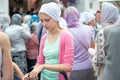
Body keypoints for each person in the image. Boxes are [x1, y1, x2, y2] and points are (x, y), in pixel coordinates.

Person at [23, 2, 74, 80]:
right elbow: (40, 61)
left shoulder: (66, 36)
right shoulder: (44, 38)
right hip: (44, 77)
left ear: (56, 18)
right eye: (42, 20)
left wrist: (44, 66)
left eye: (47, 20)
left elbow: (68, 66)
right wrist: (31, 74)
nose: (44, 24)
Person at [63, 6, 95, 80]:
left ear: (65, 17)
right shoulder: (89, 29)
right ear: (78, 15)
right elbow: (92, 47)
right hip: (89, 67)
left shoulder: (64, 33)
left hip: (72, 69)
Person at [94, 2, 119, 80]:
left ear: (106, 13)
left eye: (99, 12)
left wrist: (92, 54)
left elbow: (99, 60)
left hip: (106, 73)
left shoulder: (102, 32)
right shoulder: (116, 30)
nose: (96, 14)